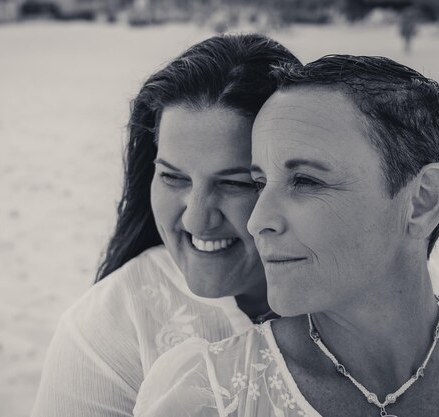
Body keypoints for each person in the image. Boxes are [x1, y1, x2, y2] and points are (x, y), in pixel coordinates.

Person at [133, 55, 439, 417]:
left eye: (305, 180)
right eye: (257, 183)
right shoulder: (205, 396)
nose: (257, 221)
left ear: (423, 200)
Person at [30, 33, 302, 417]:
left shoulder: (361, 296)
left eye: (235, 184)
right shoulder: (105, 329)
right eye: (174, 178)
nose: (195, 218)